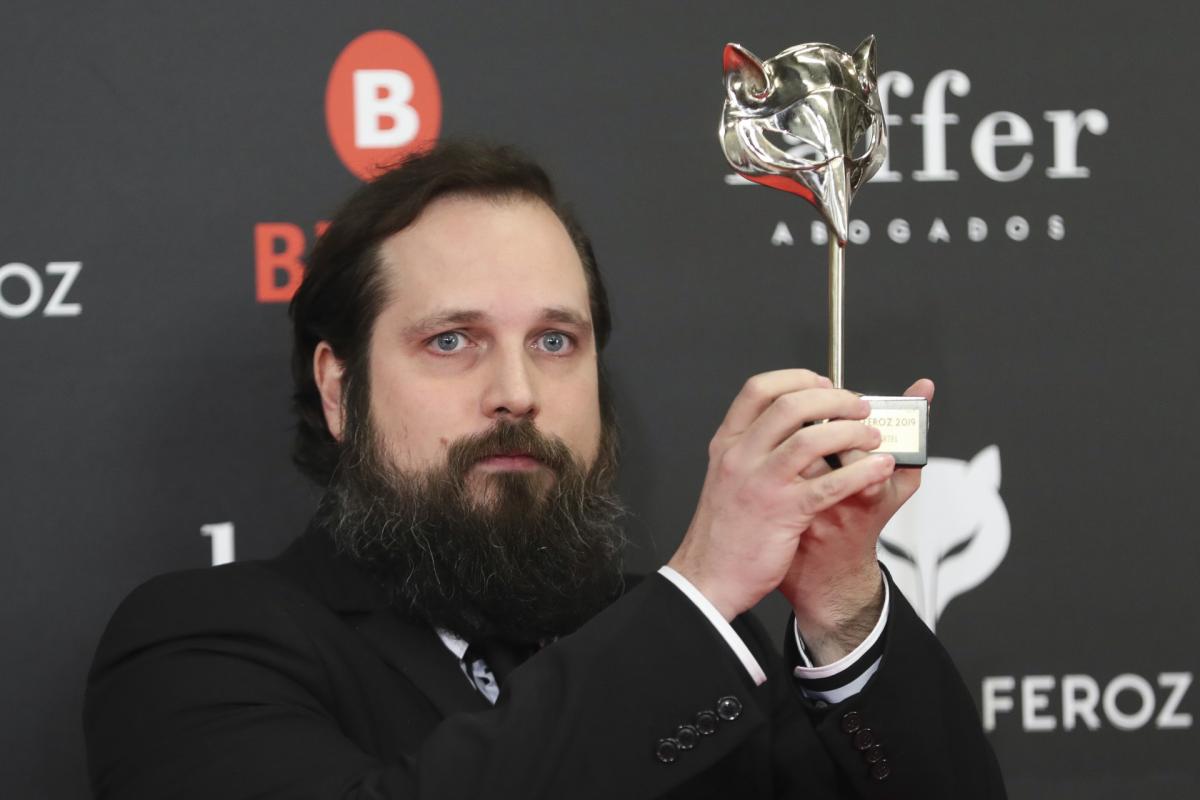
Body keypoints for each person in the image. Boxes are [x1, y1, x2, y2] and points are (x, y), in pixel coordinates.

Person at [84, 141, 1006, 799]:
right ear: (340, 387)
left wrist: (843, 605)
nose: (517, 392)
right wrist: (704, 587)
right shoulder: (198, 646)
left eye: (556, 340)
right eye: (453, 340)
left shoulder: (691, 642)